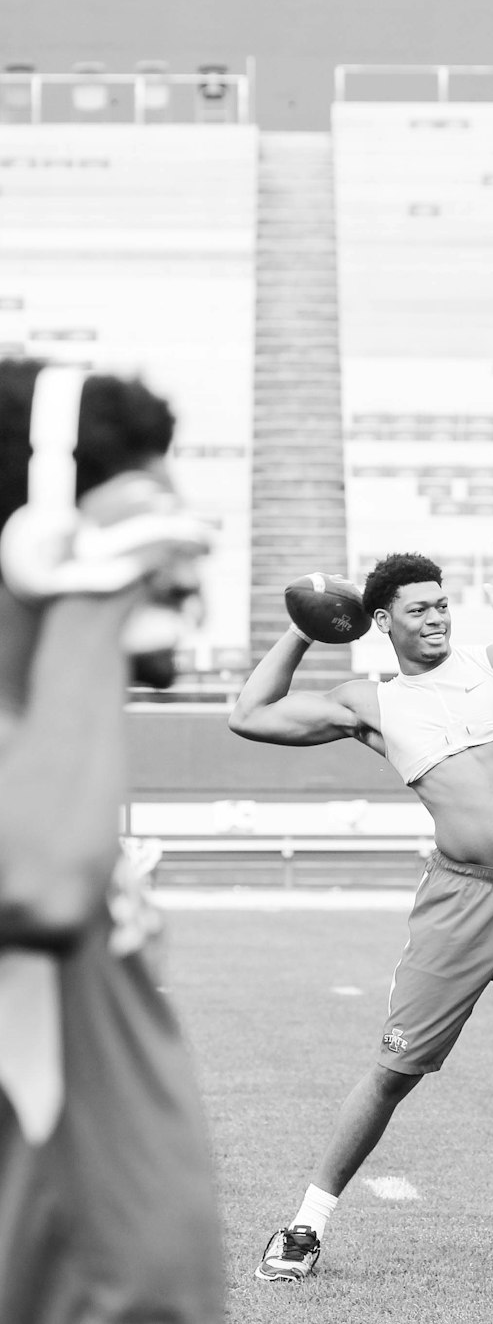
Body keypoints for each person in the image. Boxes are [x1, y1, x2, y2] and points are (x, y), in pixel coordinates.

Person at [229, 547, 493, 1280]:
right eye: (418, 609)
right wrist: (305, 630)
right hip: (459, 901)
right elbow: (248, 716)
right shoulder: (368, 702)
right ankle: (305, 1228)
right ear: (382, 621)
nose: (436, 618)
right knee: (394, 1070)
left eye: (441, 605)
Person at [0, 357, 224, 1324]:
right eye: (141, 517)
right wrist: (90, 599)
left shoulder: (47, 726)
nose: (181, 553)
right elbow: (36, 884)